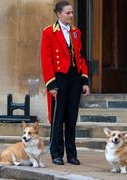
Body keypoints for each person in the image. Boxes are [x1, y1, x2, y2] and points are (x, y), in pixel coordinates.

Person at [40, 0, 90, 166]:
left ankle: (72, 154)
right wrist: (51, 84)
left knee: (71, 117)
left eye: (72, 12)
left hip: (74, 78)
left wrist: (84, 80)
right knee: (58, 117)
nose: (71, 15)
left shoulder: (76, 32)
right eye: (68, 13)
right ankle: (56, 153)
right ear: (59, 14)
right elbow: (46, 60)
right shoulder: (49, 32)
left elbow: (81, 57)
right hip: (58, 78)